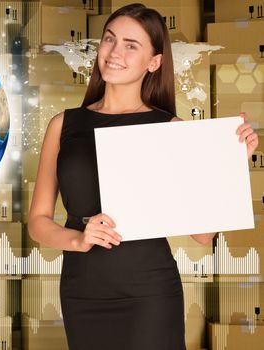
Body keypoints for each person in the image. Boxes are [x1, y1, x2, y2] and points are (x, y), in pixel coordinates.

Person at [27, 3, 258, 350]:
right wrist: (78, 239)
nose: (115, 52)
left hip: (149, 292)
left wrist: (230, 163)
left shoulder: (170, 129)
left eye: (131, 45)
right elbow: (38, 221)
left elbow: (202, 234)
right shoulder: (64, 125)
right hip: (82, 291)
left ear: (154, 62)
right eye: (109, 39)